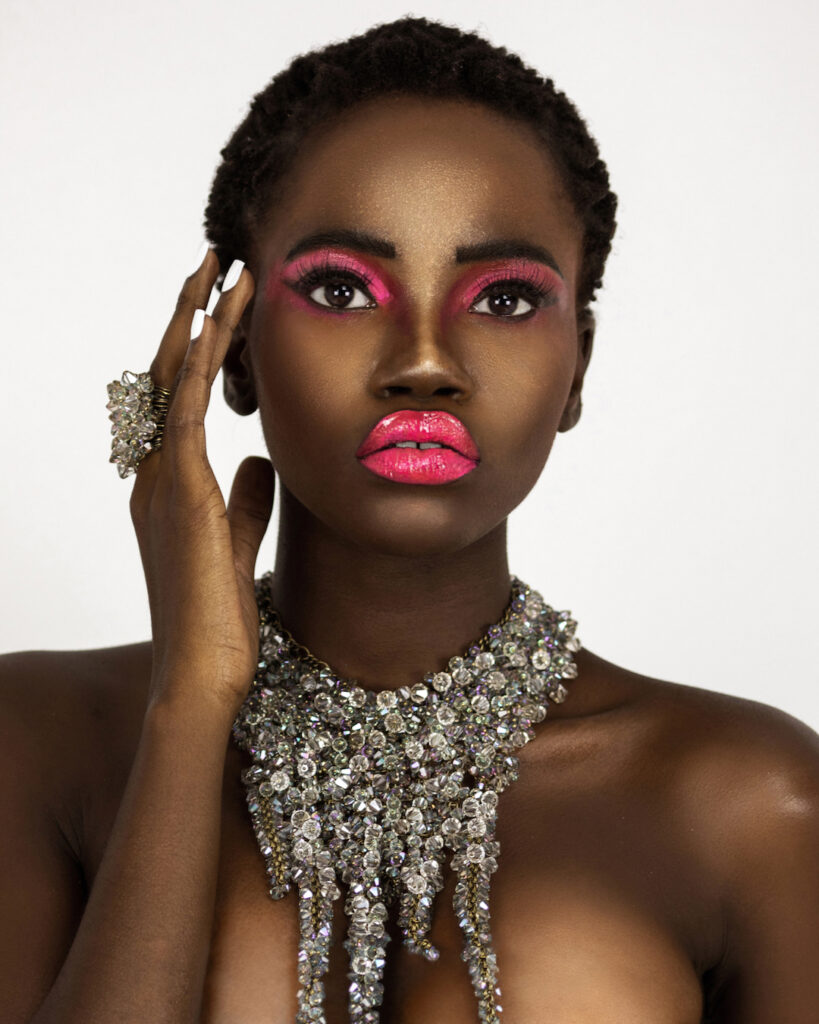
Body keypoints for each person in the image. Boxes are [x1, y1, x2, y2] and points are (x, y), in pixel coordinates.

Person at [1, 15, 817, 1024]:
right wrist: (190, 708)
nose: (425, 360)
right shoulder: (36, 739)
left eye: (506, 299)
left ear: (580, 369)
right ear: (237, 352)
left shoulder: (750, 802)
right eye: (343, 288)